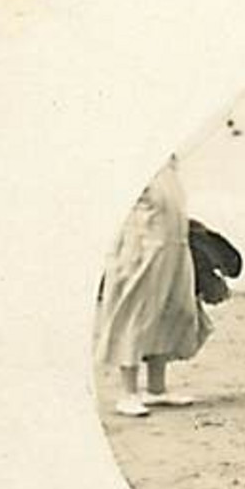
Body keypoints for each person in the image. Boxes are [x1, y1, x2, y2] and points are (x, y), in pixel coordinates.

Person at [95, 155, 214, 417]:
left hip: (174, 249)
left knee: (172, 314)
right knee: (136, 317)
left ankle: (156, 389)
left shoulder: (167, 166)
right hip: (142, 252)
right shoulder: (130, 165)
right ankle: (128, 393)